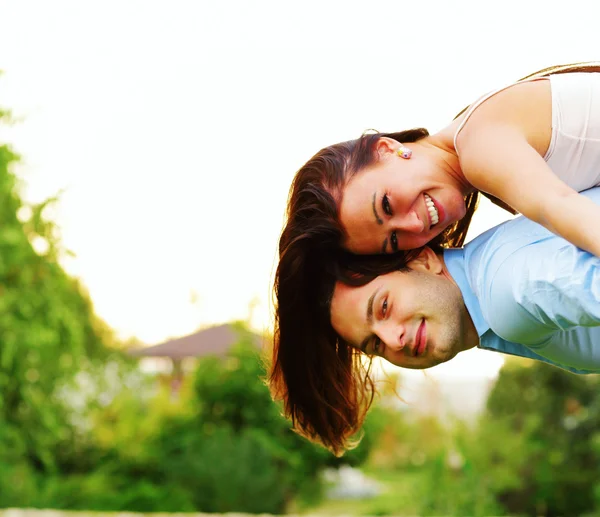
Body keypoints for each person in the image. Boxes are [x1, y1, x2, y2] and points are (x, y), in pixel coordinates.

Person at [269, 187, 600, 456]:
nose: (394, 339)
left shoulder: (504, 291)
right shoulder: (492, 280)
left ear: (422, 259)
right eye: (376, 344)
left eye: (383, 306)